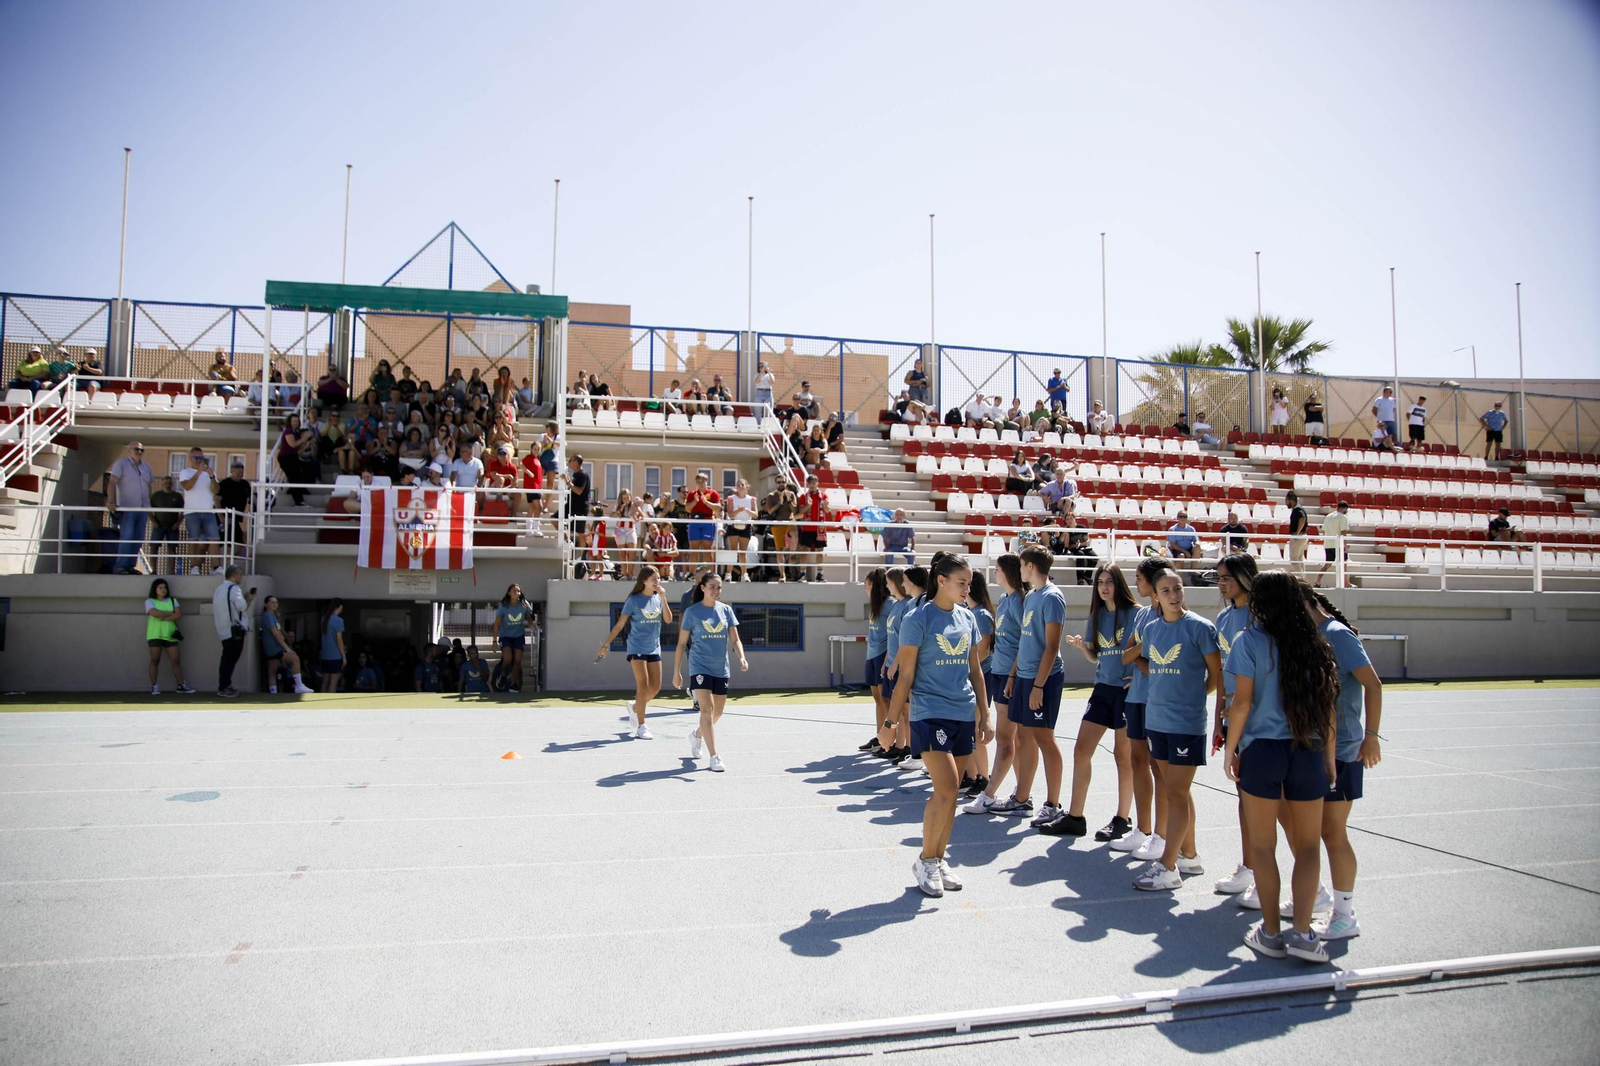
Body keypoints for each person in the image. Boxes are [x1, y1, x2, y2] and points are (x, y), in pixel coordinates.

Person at [1222, 571, 1341, 963]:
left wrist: (1230, 749)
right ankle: (1304, 935)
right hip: (1308, 748)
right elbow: (1326, 706)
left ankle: (1271, 933)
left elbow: (1241, 703)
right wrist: (1326, 755)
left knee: (1263, 846)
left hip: (1263, 751)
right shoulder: (1314, 642)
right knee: (1308, 846)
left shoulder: (1249, 640)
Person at [889, 554, 993, 898]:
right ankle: (925, 860)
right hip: (929, 711)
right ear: (942, 581)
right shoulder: (917, 619)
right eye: (961, 582)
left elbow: (975, 671)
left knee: (949, 796)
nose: (968, 588)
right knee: (947, 788)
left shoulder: (968, 618)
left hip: (963, 711)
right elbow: (905, 675)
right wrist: (890, 722)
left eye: (970, 582)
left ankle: (937, 857)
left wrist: (985, 712)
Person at [1130, 568, 1221, 892]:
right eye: (1165, 591)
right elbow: (1139, 659)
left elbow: (1217, 675)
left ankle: (1168, 866)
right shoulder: (1152, 629)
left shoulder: (1200, 627)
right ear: (1155, 596)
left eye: (1177, 588)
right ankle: (1189, 855)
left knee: (1176, 793)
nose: (1173, 595)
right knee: (1174, 789)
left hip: (1186, 723)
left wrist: (1195, 698)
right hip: (1157, 721)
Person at [1305, 581, 1383, 943]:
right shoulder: (1311, 635)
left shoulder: (1338, 634)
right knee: (1317, 830)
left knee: (1333, 832)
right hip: (1316, 746)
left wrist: (1371, 737)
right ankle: (1327, 902)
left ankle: (1345, 914)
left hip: (1344, 748)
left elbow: (1374, 684)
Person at [1043, 563, 1139, 841]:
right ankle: (1075, 817)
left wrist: (1138, 680)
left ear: (1119, 584)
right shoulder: (1096, 616)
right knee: (1082, 750)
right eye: (1100, 582)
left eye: (1110, 581)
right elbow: (1098, 657)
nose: (1105, 587)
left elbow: (1146, 651)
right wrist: (1083, 648)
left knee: (1123, 756)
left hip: (1125, 692)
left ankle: (1122, 818)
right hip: (1102, 690)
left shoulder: (1136, 614)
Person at [1000, 546, 1069, 828]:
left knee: (1045, 739)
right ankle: (1022, 797)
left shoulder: (1052, 597)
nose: (1018, 570)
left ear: (1029, 566)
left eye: (1020, 565)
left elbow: (1052, 646)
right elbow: (1026, 642)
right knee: (1022, 739)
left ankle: (1053, 804)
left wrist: (1039, 685)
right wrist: (1014, 676)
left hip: (1044, 679)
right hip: (1025, 678)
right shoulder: (1031, 596)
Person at [1110, 557, 1171, 859]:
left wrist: (1141, 654)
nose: (1135, 582)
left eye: (1139, 577)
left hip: (1159, 700)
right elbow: (1126, 656)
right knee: (1138, 762)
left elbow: (1159, 664)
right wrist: (1142, 654)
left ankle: (1163, 835)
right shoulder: (1143, 614)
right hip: (1136, 697)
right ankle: (1143, 830)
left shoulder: (1171, 616)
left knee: (1161, 769)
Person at [1210, 552, 1260, 900]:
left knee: (1276, 805)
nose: (1222, 583)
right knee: (1244, 798)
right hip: (1235, 718)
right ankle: (1250, 866)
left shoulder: (1262, 616)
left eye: (1227, 577)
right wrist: (1218, 718)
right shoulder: (1224, 618)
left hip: (1263, 720)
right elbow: (1222, 677)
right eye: (1219, 577)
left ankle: (1305, 882)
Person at [962, 554, 1024, 814]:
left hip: (1010, 676)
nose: (994, 574)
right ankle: (1019, 794)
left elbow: (1026, 641)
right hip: (1000, 674)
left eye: (997, 569)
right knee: (1012, 740)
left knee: (1010, 739)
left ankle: (990, 790)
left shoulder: (1020, 601)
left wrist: (1011, 675)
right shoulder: (1006, 599)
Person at [674, 572, 748, 772]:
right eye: (712, 586)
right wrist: (677, 672)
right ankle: (714, 756)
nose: (716, 590)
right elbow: (681, 644)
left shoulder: (726, 611)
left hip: (720, 667)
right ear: (703, 588)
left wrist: (741, 656)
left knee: (718, 712)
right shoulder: (692, 612)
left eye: (719, 587)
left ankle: (697, 735)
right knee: (706, 710)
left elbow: (735, 639)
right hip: (699, 666)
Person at [598, 565, 673, 739]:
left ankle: (634, 707)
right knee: (643, 685)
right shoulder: (633, 599)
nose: (657, 582)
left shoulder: (658, 598)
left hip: (654, 647)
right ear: (644, 581)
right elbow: (620, 624)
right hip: (637, 646)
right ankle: (642, 725)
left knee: (655, 687)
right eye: (654, 579)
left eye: (658, 578)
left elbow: (668, 620)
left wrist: (663, 597)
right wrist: (606, 645)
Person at [106, 441, 154, 575]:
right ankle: (120, 566)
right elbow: (112, 482)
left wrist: (148, 504)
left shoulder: (146, 466)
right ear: (129, 451)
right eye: (136, 450)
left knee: (138, 538)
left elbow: (149, 486)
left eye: (141, 450)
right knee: (127, 536)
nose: (139, 452)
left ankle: (130, 566)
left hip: (142, 509)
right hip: (126, 508)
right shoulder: (121, 464)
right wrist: (111, 502)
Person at [859, 568, 893, 755]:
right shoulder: (876, 605)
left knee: (885, 698)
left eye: (867, 584)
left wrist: (887, 658)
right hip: (871, 655)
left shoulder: (890, 604)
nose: (865, 588)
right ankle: (880, 736)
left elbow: (895, 633)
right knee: (877, 698)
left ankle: (890, 738)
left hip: (882, 654)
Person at [143, 578, 195, 695]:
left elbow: (178, 615)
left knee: (176, 660)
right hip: (155, 634)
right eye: (160, 588)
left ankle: (181, 685)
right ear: (155, 589)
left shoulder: (173, 600)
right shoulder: (149, 601)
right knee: (154, 660)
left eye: (165, 588)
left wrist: (164, 617)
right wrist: (170, 614)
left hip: (170, 635)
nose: (163, 590)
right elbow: (154, 613)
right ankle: (154, 686)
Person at [209, 565, 254, 697]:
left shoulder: (219, 589)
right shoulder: (234, 589)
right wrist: (249, 599)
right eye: (240, 574)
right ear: (234, 575)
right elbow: (242, 606)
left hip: (223, 629)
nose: (241, 577)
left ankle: (225, 684)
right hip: (235, 630)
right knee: (230, 659)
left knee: (227, 658)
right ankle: (224, 686)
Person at [177, 447, 222, 575]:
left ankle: (215, 567)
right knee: (194, 539)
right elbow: (187, 486)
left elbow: (216, 490)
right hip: (192, 512)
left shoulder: (208, 473)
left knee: (214, 538)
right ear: (190, 459)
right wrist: (198, 473)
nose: (199, 460)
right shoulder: (185, 472)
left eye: (201, 458)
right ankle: (194, 567)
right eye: (196, 458)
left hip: (208, 511)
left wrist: (212, 476)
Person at [257, 595, 313, 694]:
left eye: (276, 602)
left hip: (272, 647)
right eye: (272, 602)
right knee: (295, 658)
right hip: (274, 647)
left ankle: (273, 693)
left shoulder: (273, 616)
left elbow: (280, 631)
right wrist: (287, 648)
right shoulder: (268, 616)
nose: (275, 604)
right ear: (266, 604)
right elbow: (275, 634)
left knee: (272, 671)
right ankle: (298, 685)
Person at [494, 584, 529, 692]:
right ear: (509, 592)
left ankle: (513, 685)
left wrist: (531, 623)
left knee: (517, 661)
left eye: (518, 591)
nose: (516, 593)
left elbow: (528, 615)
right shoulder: (504, 606)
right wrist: (494, 641)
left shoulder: (524, 604)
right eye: (514, 591)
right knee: (508, 659)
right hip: (505, 636)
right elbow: (497, 623)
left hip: (518, 636)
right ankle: (503, 675)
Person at [148, 476, 184, 575]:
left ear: (172, 484)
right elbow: (148, 509)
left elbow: (183, 511)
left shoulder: (177, 496)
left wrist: (178, 523)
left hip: (172, 526)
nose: (167, 485)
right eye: (165, 483)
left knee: (172, 548)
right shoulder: (156, 496)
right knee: (154, 547)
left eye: (169, 483)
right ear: (162, 484)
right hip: (158, 525)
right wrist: (153, 522)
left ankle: (171, 571)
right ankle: (153, 570)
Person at [216, 461, 252, 561]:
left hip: (236, 517)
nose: (240, 474)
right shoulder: (224, 483)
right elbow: (217, 499)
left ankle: (228, 561)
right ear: (232, 471)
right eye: (238, 472)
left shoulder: (245, 484)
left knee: (238, 540)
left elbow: (251, 498)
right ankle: (222, 564)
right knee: (224, 541)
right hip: (225, 517)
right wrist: (221, 517)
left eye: (242, 472)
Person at [685, 472, 721, 571]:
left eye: (703, 481)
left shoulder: (713, 493)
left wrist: (706, 502)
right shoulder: (692, 494)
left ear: (707, 482)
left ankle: (709, 573)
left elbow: (718, 508)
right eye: (699, 482)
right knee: (693, 551)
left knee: (707, 551)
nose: (701, 484)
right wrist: (695, 501)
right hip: (694, 522)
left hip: (708, 522)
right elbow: (687, 508)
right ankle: (691, 574)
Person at [725, 480, 758, 581]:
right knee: (732, 551)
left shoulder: (751, 499)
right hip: (734, 525)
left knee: (743, 553)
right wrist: (738, 510)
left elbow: (755, 515)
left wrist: (747, 510)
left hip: (746, 526)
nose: (740, 487)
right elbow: (730, 514)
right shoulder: (731, 499)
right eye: (738, 485)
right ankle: (728, 574)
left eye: (742, 485)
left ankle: (744, 574)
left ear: (746, 487)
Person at [1318, 501, 1352, 588]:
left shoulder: (1328, 516)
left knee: (1327, 564)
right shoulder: (1343, 517)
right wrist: (1345, 546)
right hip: (1339, 545)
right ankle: (1346, 583)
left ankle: (1318, 580)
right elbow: (1343, 532)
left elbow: (1324, 530)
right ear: (1344, 508)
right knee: (1344, 563)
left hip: (1328, 544)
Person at [319, 600, 345, 693]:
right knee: (333, 681)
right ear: (340, 606)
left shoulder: (323, 619)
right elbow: (339, 640)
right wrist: (343, 656)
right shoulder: (339, 620)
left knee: (325, 680)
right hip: (335, 655)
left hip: (325, 655)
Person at [1286, 491, 1309, 573]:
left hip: (1298, 537)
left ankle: (1301, 577)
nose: (1286, 503)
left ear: (1291, 500)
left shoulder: (1297, 510)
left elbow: (1302, 519)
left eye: (1287, 500)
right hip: (1303, 536)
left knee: (1293, 559)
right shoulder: (1299, 508)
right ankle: (1303, 579)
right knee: (1299, 558)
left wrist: (1297, 532)